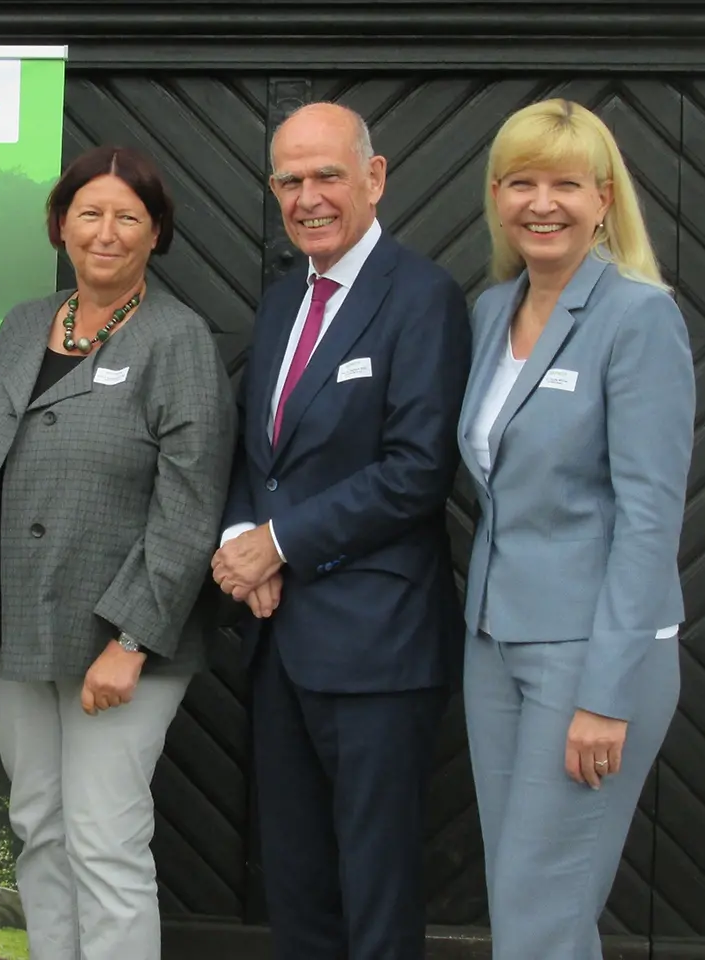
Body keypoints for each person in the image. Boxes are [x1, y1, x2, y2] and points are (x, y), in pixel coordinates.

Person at [0, 145, 234, 960]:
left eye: (128, 217)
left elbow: (191, 502)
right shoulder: (18, 326)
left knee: (104, 841)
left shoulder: (176, 340)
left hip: (120, 645)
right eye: (89, 213)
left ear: (156, 234)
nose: (105, 232)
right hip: (15, 639)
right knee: (38, 828)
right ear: (60, 224)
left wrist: (133, 638)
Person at [212, 103, 471, 960]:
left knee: (375, 883)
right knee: (296, 882)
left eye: (327, 174)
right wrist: (250, 531)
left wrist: (279, 541)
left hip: (378, 649)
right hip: (279, 638)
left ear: (375, 176)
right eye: (290, 179)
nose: (308, 196)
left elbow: (416, 470)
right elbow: (260, 451)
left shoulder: (422, 295)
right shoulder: (287, 297)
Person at [459, 99, 691, 958]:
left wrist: (605, 692)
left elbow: (648, 517)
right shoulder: (493, 314)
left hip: (592, 655)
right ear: (496, 194)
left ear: (604, 199)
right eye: (522, 181)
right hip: (495, 642)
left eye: (566, 183)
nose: (542, 203)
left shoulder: (638, 317)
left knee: (540, 913)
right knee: (523, 898)